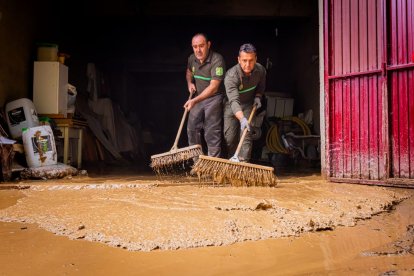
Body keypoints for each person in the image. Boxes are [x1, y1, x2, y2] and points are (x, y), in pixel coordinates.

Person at [223, 43, 266, 162]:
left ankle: (244, 165)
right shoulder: (231, 76)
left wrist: (258, 97)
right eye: (244, 60)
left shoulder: (260, 70)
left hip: (248, 105)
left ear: (256, 59)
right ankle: (233, 162)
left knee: (246, 135)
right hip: (232, 106)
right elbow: (234, 101)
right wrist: (242, 119)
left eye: (251, 60)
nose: (248, 64)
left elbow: (261, 86)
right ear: (238, 60)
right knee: (230, 138)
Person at [185, 33, 226, 157]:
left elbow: (214, 88)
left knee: (211, 131)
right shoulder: (192, 58)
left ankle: (212, 164)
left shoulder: (217, 60)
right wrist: (189, 83)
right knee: (191, 129)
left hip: (214, 97)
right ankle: (197, 164)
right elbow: (188, 71)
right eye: (195, 46)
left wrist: (194, 100)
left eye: (201, 46)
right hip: (197, 97)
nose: (198, 50)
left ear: (208, 45)